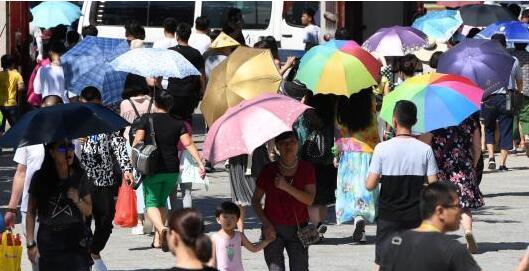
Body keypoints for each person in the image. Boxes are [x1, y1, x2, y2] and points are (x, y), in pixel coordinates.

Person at [365, 100, 438, 267]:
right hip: (415, 215)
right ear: (414, 121)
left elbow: (370, 185)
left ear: (394, 121)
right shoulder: (425, 150)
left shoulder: (382, 148)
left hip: (389, 216)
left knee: (384, 262)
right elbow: (434, 186)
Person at [132, 89, 205, 252]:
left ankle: (163, 229)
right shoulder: (178, 122)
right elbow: (188, 144)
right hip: (172, 169)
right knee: (162, 201)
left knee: (151, 203)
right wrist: (200, 163)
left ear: (155, 103)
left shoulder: (146, 119)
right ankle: (158, 239)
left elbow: (138, 140)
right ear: (170, 104)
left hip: (152, 168)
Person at [78, 87, 134, 271]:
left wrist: (126, 169)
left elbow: (118, 145)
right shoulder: (75, 122)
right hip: (82, 179)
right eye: (87, 106)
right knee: (83, 222)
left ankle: (94, 250)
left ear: (100, 103)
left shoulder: (107, 120)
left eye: (94, 105)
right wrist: (77, 142)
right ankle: (85, 256)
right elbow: (62, 150)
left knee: (105, 221)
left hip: (104, 180)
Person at [4, 97, 62, 271]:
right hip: (31, 209)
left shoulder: (69, 140)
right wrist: (11, 208)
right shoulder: (30, 137)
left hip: (60, 208)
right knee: (37, 260)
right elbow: (21, 172)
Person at [379, 181, 481, 271]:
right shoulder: (452, 250)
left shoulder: (394, 244)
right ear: (440, 211)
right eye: (457, 206)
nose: (460, 211)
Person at [419, 115, 484, 254]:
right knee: (464, 206)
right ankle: (468, 231)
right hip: (464, 166)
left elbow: (425, 143)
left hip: (441, 168)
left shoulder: (434, 120)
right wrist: (473, 163)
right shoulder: (470, 120)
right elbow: (477, 146)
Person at [252, 131, 316, 271]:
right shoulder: (268, 170)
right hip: (273, 229)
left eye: (292, 142)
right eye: (283, 143)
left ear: (298, 144)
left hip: (299, 229)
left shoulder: (307, 169)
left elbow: (309, 199)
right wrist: (267, 224)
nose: (288, 146)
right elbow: (255, 201)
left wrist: (286, 187)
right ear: (277, 147)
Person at [26, 139, 93, 271]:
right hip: (49, 240)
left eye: (71, 146)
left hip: (76, 240)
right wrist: (30, 243)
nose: (69, 151)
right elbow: (31, 212)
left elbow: (89, 211)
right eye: (62, 148)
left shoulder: (80, 176)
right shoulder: (40, 178)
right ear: (52, 153)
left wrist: (77, 199)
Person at [334, 89, 380, 243]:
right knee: (364, 190)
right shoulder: (370, 99)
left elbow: (340, 129)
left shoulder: (341, 100)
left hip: (348, 152)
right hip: (368, 150)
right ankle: (361, 223)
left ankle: (357, 220)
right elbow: (374, 124)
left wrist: (336, 152)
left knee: (351, 190)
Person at [294, 94, 336, 238]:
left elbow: (300, 132)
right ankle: (320, 225)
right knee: (323, 199)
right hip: (327, 163)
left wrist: (302, 104)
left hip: (309, 163)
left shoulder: (307, 115)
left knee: (311, 200)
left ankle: (318, 225)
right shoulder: (330, 115)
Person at [120, 74, 157, 235]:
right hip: (149, 143)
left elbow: (122, 124)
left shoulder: (125, 104)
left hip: (131, 145)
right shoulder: (152, 101)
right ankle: (154, 220)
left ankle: (141, 222)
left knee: (136, 182)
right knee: (150, 180)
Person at [483, 34, 523, 170]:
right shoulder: (513, 60)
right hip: (507, 97)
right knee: (506, 128)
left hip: (489, 98)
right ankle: (502, 164)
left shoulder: (485, 60)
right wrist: (518, 92)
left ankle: (491, 157)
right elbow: (519, 81)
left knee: (489, 128)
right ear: (505, 44)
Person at [209, 201, 274, 271]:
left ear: (237, 220)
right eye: (225, 217)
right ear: (218, 219)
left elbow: (253, 248)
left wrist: (266, 241)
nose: (229, 220)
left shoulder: (239, 236)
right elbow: (211, 261)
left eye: (232, 217)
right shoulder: (215, 238)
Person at [168, 23, 206, 123]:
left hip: (173, 92)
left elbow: (161, 71)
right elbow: (202, 75)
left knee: (172, 119)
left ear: (177, 35)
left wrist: (158, 84)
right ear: (189, 35)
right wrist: (203, 90)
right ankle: (187, 136)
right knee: (187, 119)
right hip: (190, 93)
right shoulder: (196, 53)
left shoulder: (170, 52)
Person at [0, 54, 24, 134]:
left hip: (0, 105)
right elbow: (21, 88)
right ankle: (17, 145)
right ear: (12, 64)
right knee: (16, 127)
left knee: (0, 129)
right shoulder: (16, 74)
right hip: (12, 105)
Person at [513, 42, 529, 156]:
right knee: (525, 116)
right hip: (527, 90)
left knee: (514, 117)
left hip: (514, 90)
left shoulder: (511, 57)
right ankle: (525, 140)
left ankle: (515, 143)